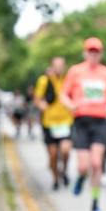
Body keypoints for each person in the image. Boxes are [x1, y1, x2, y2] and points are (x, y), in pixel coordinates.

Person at [62, 37, 106, 211]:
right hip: (81, 121)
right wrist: (70, 105)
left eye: (97, 52)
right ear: (85, 53)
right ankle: (80, 178)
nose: (93, 55)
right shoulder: (75, 71)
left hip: (100, 121)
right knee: (83, 166)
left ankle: (95, 204)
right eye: (90, 51)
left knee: (96, 163)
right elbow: (63, 94)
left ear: (101, 54)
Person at [34, 57, 74, 191]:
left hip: (66, 121)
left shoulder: (68, 80)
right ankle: (56, 178)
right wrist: (42, 105)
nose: (59, 68)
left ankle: (64, 170)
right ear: (51, 66)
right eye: (56, 65)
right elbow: (37, 100)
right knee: (52, 154)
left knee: (65, 150)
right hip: (49, 123)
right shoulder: (44, 81)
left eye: (61, 65)